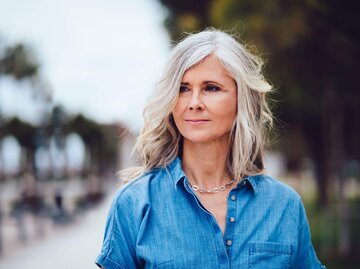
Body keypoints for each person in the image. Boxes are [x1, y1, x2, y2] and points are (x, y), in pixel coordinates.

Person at [95, 29, 326, 269]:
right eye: (183, 89)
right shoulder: (134, 203)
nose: (194, 103)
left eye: (211, 88)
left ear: (242, 99)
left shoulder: (284, 205)